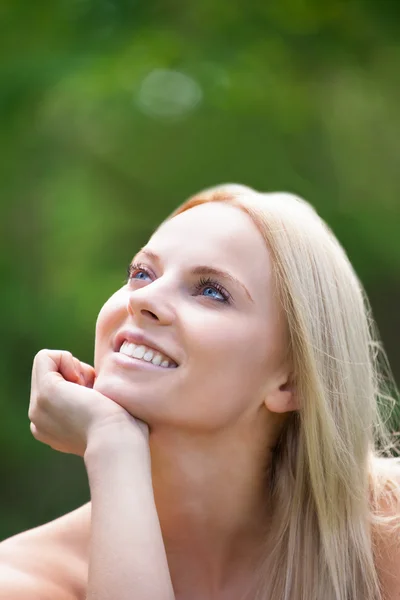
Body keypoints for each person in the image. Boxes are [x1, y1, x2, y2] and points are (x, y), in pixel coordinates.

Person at [0, 183, 399, 600]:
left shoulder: (386, 537)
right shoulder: (23, 582)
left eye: (211, 291)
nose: (144, 299)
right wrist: (112, 444)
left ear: (292, 381)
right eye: (141, 273)